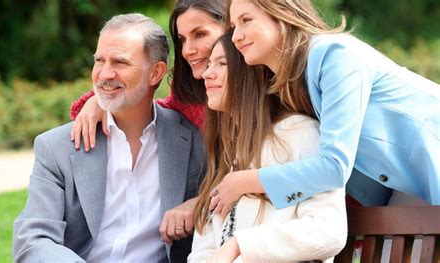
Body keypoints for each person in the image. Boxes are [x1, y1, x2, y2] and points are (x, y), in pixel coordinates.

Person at [207, 0, 440, 217]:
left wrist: (245, 181)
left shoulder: (334, 55)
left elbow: (334, 166)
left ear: (282, 14)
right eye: (234, 26)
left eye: (246, 20)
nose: (236, 36)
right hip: (407, 189)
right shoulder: (291, 82)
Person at [12, 13, 206, 262]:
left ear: (155, 73)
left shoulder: (192, 140)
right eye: (99, 60)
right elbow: (33, 240)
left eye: (120, 62)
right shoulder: (56, 148)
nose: (104, 74)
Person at [68, 0, 230, 244]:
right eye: (183, 39)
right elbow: (158, 111)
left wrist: (198, 203)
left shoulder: (260, 90)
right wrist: (99, 100)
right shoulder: (191, 94)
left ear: (230, 28)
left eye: (200, 34)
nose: (188, 50)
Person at [188, 31, 347, 262]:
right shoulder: (228, 151)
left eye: (222, 63)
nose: (206, 74)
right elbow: (204, 246)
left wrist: (240, 246)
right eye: (209, 64)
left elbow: (327, 231)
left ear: (250, 72)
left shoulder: (300, 134)